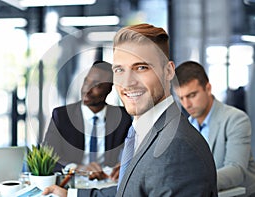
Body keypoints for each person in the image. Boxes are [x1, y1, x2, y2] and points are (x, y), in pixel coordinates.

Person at [42, 23, 217, 197]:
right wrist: (70, 195)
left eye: (141, 68)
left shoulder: (176, 146)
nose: (127, 82)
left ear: (168, 71)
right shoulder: (144, 131)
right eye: (119, 70)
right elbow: (128, 191)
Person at [172, 60, 255, 196]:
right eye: (181, 98)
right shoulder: (185, 127)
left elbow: (236, 170)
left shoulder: (236, 119)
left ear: (208, 88)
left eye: (192, 95)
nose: (187, 104)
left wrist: (192, 183)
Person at [42, 60, 132, 180]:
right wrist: (75, 168)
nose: (87, 89)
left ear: (109, 89)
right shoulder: (62, 116)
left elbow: (133, 152)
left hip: (108, 183)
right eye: (86, 81)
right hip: (73, 182)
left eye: (96, 85)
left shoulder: (123, 117)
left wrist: (125, 165)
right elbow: (47, 156)